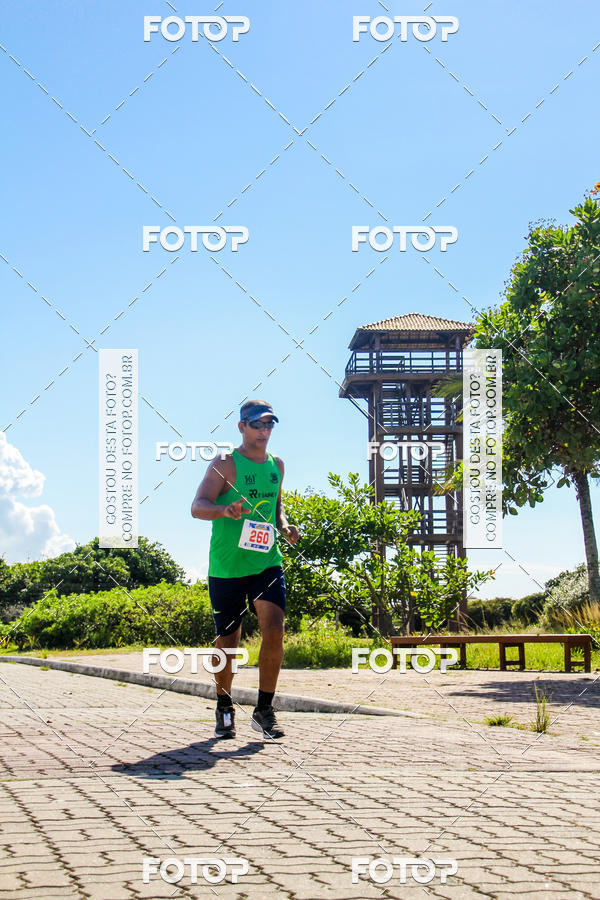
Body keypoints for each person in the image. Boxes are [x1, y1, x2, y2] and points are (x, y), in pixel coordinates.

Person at [191, 400, 299, 740]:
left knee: (274, 630)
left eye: (269, 425)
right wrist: (225, 510)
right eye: (257, 425)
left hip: (266, 561)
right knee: (229, 641)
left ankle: (264, 710)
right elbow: (198, 507)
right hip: (227, 566)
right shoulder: (225, 464)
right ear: (242, 427)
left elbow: (276, 506)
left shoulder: (277, 465)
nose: (264, 431)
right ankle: (224, 706)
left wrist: (284, 525)